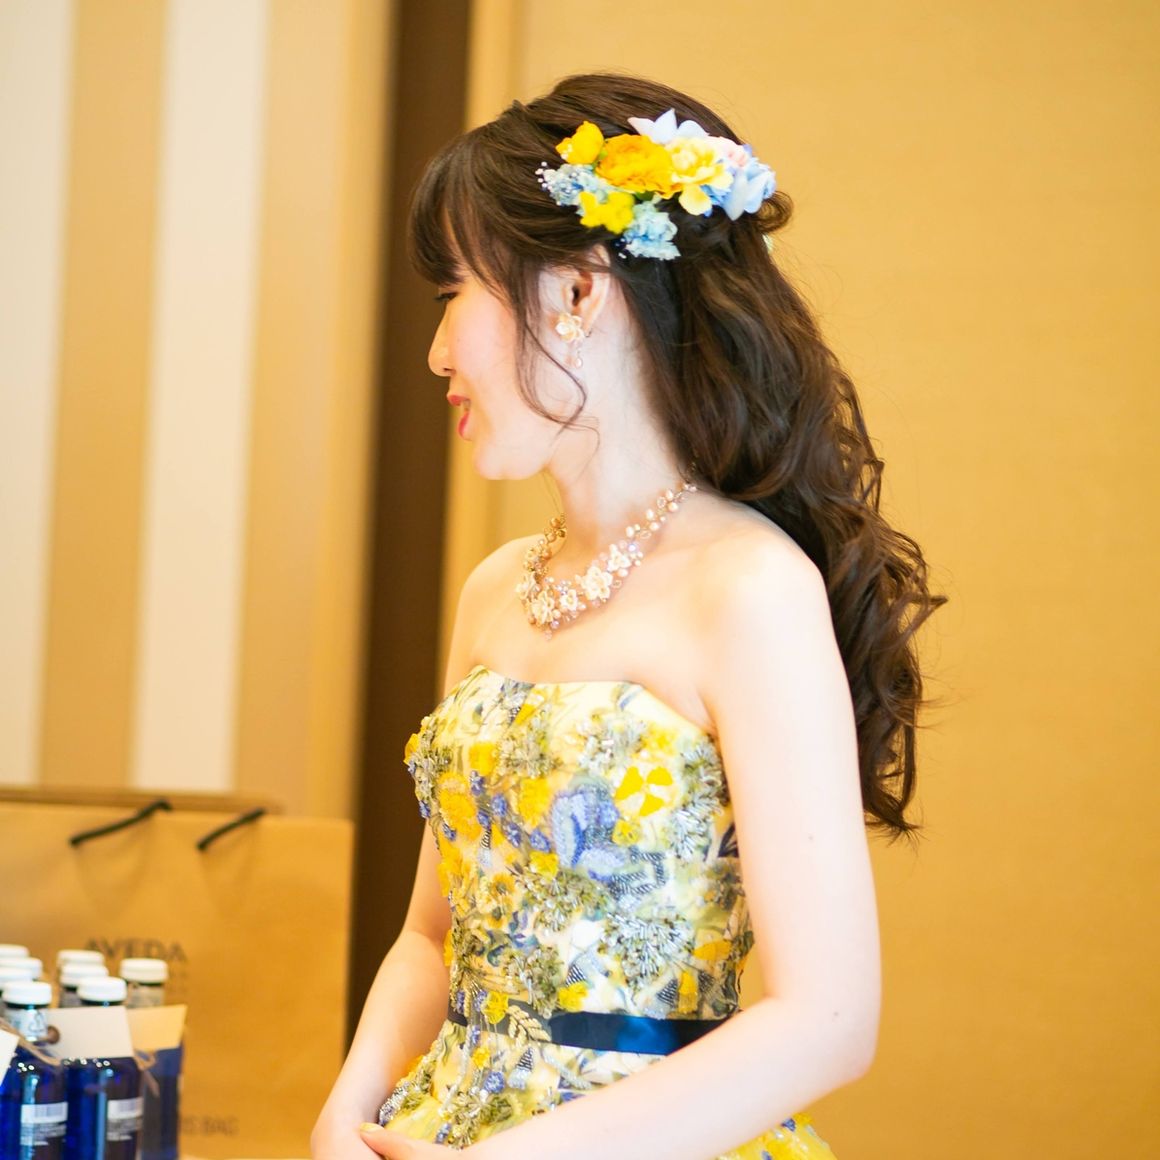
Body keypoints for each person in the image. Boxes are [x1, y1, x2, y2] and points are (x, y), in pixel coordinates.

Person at [311, 72, 945, 1159]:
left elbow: (829, 1019)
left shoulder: (749, 587)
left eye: (452, 293)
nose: (436, 352)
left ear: (575, 291)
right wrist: (348, 1109)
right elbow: (429, 936)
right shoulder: (493, 588)